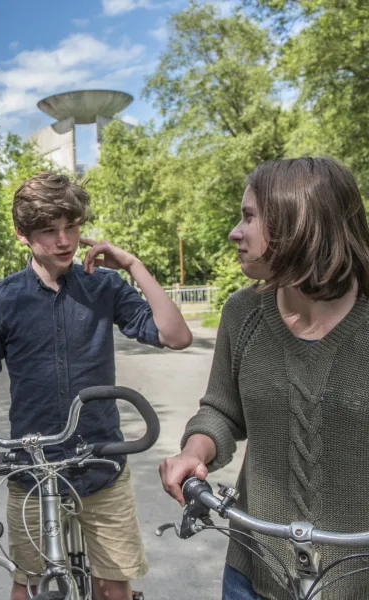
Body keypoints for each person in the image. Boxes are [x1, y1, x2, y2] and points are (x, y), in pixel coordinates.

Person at [0, 172, 192, 600]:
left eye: (71, 227)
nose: (65, 240)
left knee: (112, 588)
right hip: (31, 467)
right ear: (22, 235)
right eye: (49, 231)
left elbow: (175, 335)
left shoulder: (103, 286)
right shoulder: (0, 299)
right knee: (29, 588)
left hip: (101, 462)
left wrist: (132, 266)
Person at [159, 157, 369, 599]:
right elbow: (221, 408)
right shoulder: (243, 312)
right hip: (251, 573)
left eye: (249, 217)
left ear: (300, 225)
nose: (235, 232)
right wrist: (193, 451)